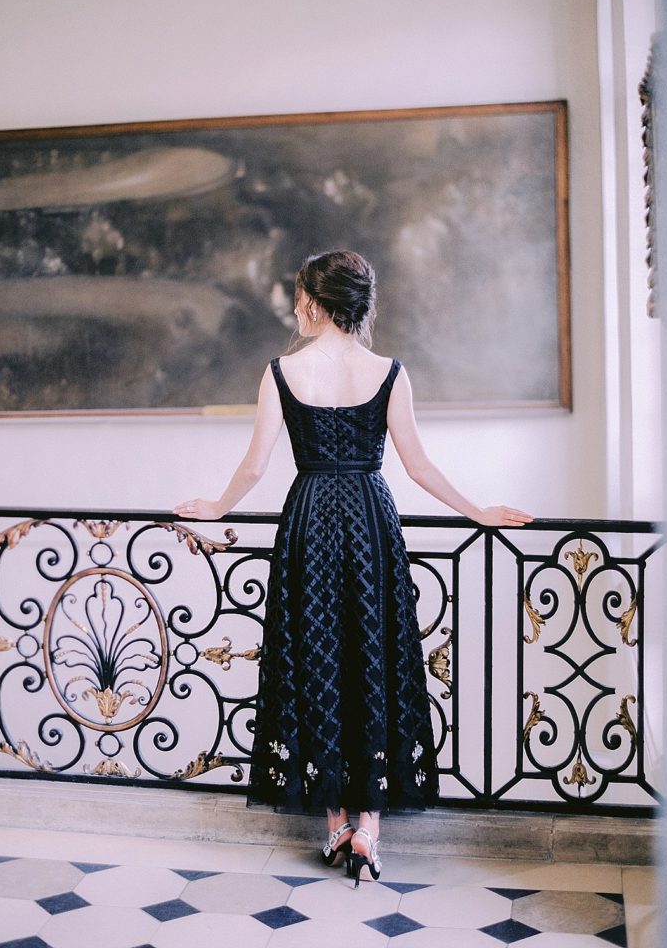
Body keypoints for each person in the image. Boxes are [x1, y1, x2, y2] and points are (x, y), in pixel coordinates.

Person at [174, 249, 532, 888]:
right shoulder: (390, 372)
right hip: (369, 519)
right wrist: (478, 511)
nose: (293, 308)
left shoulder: (282, 372)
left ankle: (335, 821)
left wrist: (215, 506)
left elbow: (255, 468)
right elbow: (417, 466)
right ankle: (369, 826)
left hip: (310, 517)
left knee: (316, 658)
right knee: (374, 656)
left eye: (298, 296)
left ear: (314, 300)